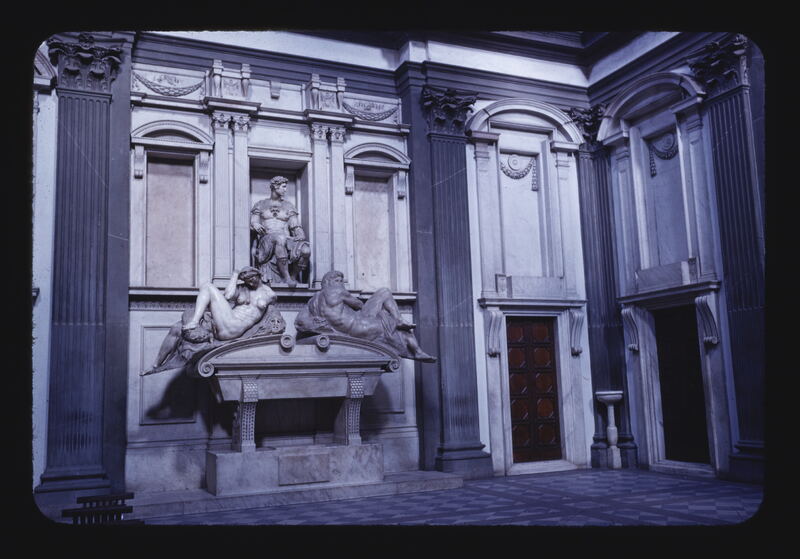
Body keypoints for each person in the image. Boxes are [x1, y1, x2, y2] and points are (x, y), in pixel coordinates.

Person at [142, 267, 276, 376]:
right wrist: (235, 275)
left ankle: (194, 321)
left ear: (259, 275)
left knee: (207, 286)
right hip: (223, 322)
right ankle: (155, 365)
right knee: (177, 328)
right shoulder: (243, 288)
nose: (250, 283)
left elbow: (269, 311)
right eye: (247, 280)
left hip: (233, 328)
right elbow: (228, 296)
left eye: (252, 279)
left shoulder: (270, 294)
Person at [295, 270, 436, 363]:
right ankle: (415, 349)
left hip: (351, 328)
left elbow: (299, 322)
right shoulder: (338, 291)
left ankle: (410, 341)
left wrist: (320, 324)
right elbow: (358, 304)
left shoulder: (312, 301)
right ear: (329, 282)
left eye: (341, 281)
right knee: (385, 294)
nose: (341, 284)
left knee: (387, 318)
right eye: (338, 281)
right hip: (361, 326)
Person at [250, 176, 311, 287]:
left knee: (306, 250)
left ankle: (293, 276)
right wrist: (255, 224)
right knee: (280, 238)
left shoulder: (288, 206)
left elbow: (295, 225)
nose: (285, 190)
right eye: (283, 187)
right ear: (275, 186)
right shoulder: (260, 204)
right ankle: (286, 278)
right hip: (267, 239)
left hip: (286, 238)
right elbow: (253, 222)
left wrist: (300, 233)